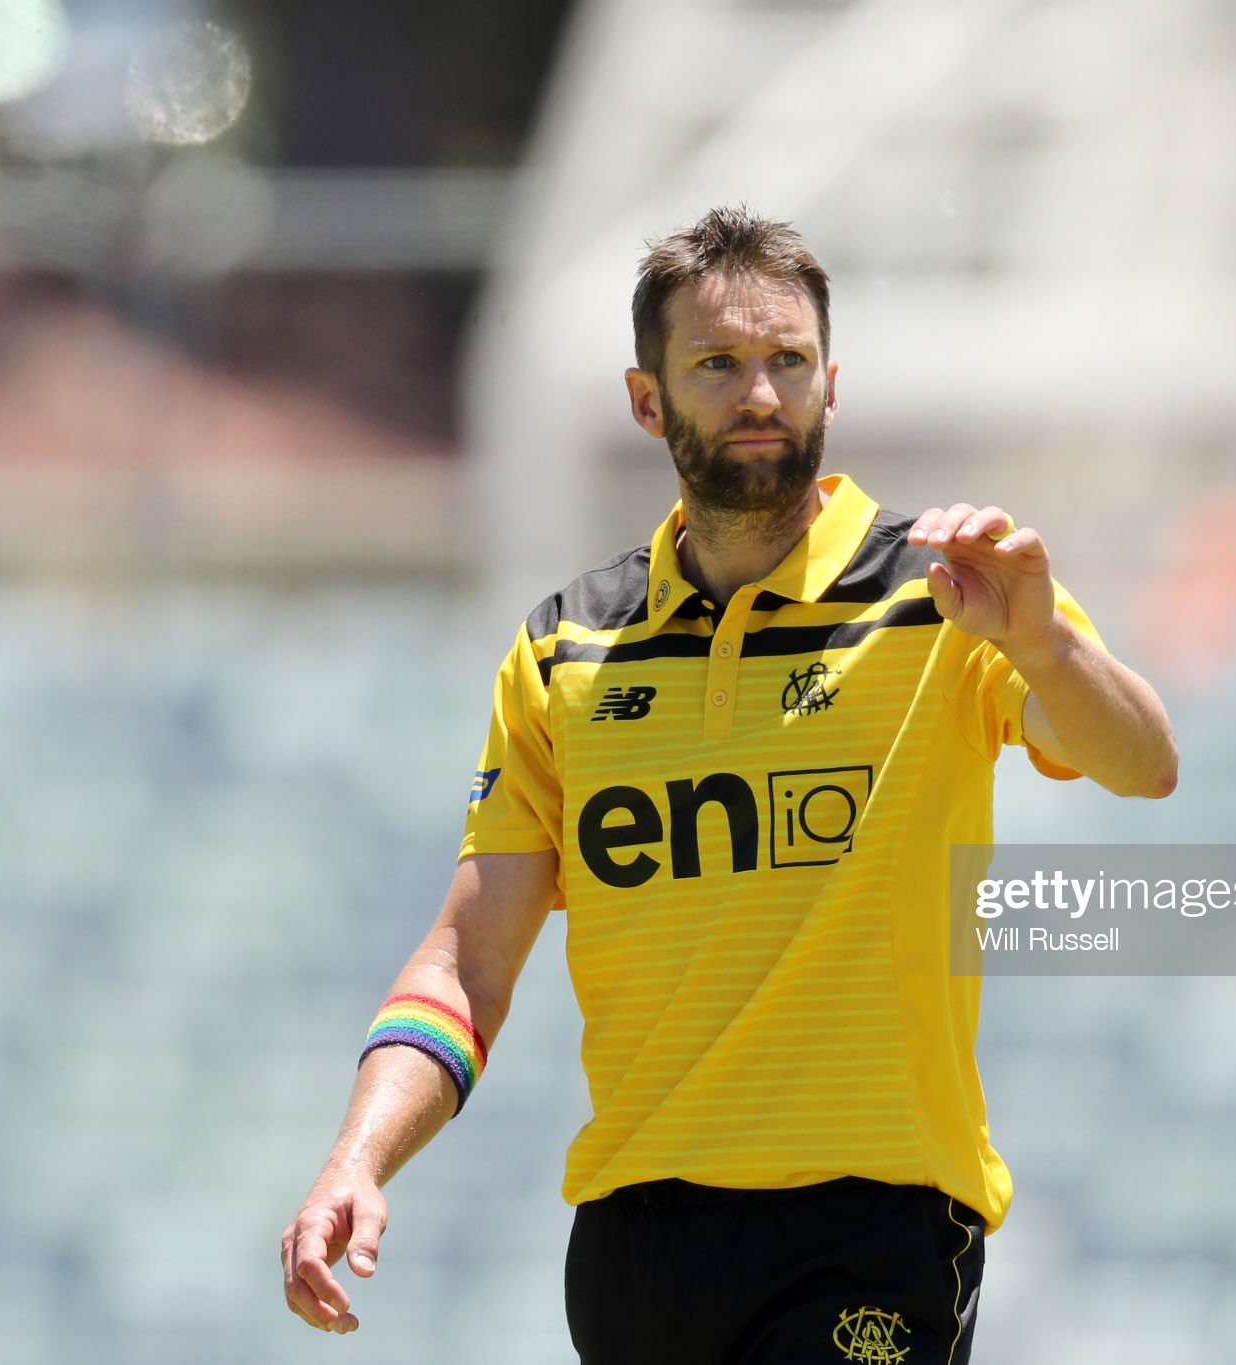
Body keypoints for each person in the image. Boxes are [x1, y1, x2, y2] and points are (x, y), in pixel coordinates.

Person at [281, 206, 1179, 1363]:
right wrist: (356, 1158)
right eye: (716, 364)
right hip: (635, 1241)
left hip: (873, 1223)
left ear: (829, 385)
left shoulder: (946, 594)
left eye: (786, 362)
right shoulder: (565, 649)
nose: (759, 393)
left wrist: (1046, 645)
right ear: (646, 400)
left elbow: (1143, 764)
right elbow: (469, 958)